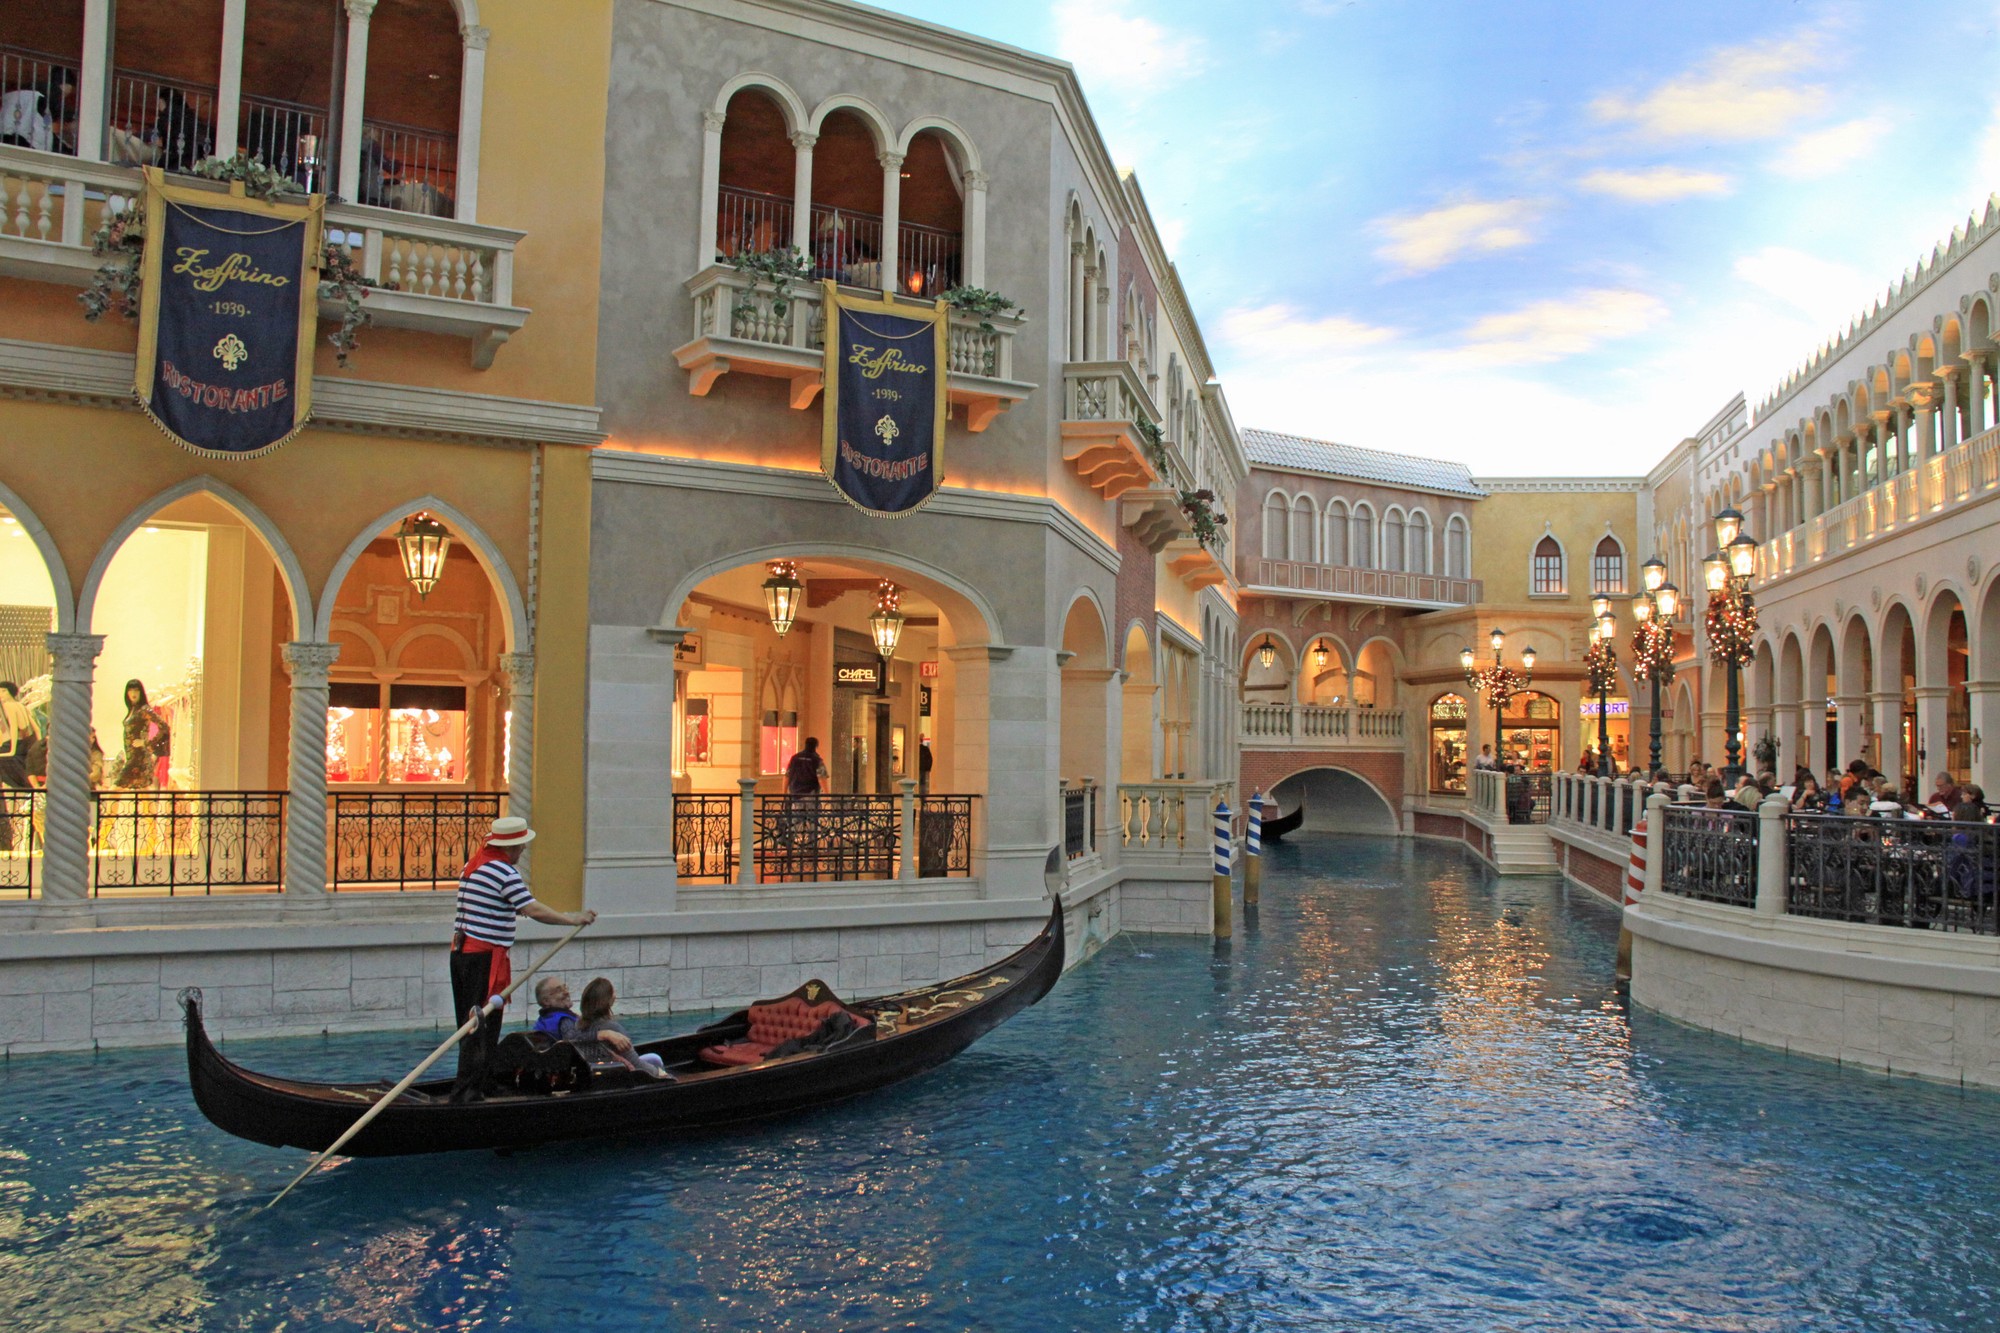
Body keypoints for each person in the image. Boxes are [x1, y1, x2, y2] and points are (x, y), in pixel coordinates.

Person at [450, 816, 596, 1095]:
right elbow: (532, 909)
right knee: (480, 1028)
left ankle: (480, 1085)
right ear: (511, 847)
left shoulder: (475, 865)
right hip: (481, 961)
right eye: (521, 846)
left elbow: (502, 906)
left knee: (474, 1027)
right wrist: (572, 919)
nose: (523, 850)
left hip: (463, 958)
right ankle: (468, 1094)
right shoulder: (503, 872)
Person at [575, 977, 669, 1078]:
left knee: (653, 1058)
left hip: (599, 1070)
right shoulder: (612, 1027)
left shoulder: (578, 1025)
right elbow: (635, 1063)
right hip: (623, 1075)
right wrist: (661, 1074)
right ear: (609, 1000)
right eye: (613, 992)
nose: (615, 995)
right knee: (656, 1059)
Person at [109, 89, 214, 172]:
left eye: (159, 103)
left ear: (164, 101)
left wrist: (133, 137)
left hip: (173, 160)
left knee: (114, 134)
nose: (158, 107)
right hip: (186, 161)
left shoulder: (169, 115)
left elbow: (154, 133)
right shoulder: (188, 116)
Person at [114, 680, 170, 790]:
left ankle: (106, 808)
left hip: (139, 758)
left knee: (115, 789)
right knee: (144, 793)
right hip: (133, 757)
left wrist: (145, 742)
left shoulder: (144, 709)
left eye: (136, 690)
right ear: (127, 693)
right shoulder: (133, 710)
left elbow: (164, 726)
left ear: (141, 692)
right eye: (130, 690)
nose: (133, 693)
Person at [0, 681, 34, 853]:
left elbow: (14, 729)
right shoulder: (22, 706)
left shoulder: (10, 706)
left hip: (15, 749)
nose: (1, 693)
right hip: (25, 748)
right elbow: (35, 729)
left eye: (3, 691)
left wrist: (11, 750)